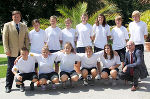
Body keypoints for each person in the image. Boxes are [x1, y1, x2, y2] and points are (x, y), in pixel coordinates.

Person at [3, 11, 29, 93]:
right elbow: (5, 39)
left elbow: (26, 39)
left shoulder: (24, 26)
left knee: (21, 69)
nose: (16, 18)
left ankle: (20, 85)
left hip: (22, 52)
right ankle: (8, 86)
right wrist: (6, 50)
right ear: (12, 17)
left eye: (18, 16)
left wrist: (26, 49)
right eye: (15, 16)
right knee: (10, 69)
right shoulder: (7, 25)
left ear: (20, 17)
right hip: (12, 51)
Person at [29, 19, 47, 86]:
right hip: (33, 53)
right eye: (34, 25)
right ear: (33, 25)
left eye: (37, 24)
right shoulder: (30, 33)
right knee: (35, 68)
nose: (36, 26)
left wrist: (45, 50)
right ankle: (37, 81)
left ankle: (43, 80)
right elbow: (29, 43)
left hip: (41, 53)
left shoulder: (43, 32)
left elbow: (45, 42)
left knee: (42, 67)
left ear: (39, 24)